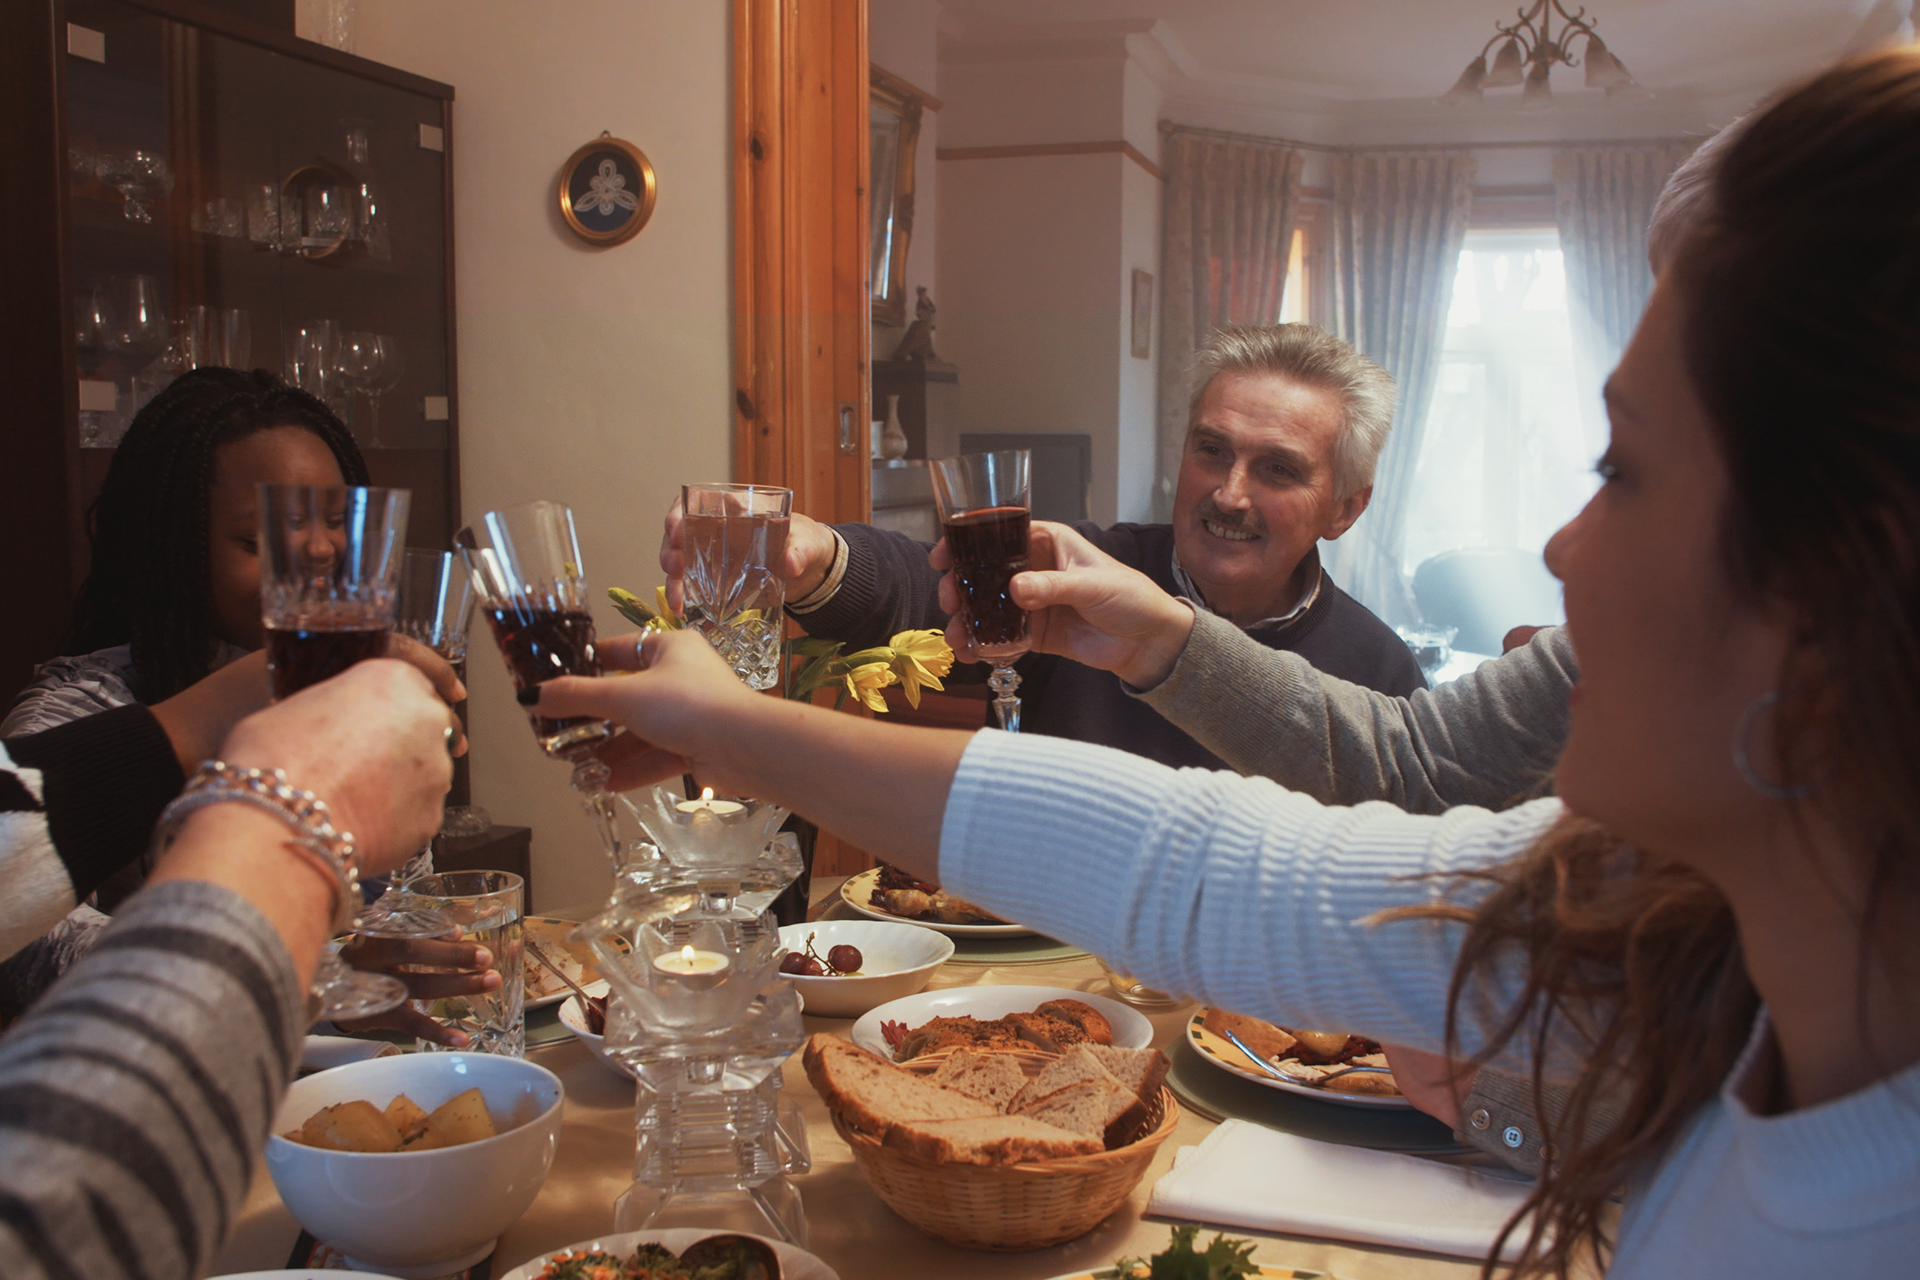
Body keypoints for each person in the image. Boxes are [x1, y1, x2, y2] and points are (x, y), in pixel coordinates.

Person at [537, 46, 1920, 1277]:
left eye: (1624, 469)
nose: (1561, 552)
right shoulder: (1666, 914)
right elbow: (1215, 865)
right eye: (1214, 448)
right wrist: (747, 706)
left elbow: (1268, 845)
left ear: (1841, 587)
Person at [660, 325, 1425, 770]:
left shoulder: (1380, 671)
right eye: (1212, 450)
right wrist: (814, 553)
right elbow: (919, 588)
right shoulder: (1097, 572)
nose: (1229, 493)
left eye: (1278, 469)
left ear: (1346, 508)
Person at [0, 367, 487, 1042]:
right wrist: (306, 968)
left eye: (341, 526)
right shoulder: (81, 715)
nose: (320, 556)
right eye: (263, 542)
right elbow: (35, 955)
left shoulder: (353, 709)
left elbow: (387, 907)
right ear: (175, 554)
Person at [0, 658, 455, 1280]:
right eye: (254, 550)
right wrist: (285, 823)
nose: (320, 555)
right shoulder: (74, 698)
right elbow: (50, 1226)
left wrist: (183, 731)